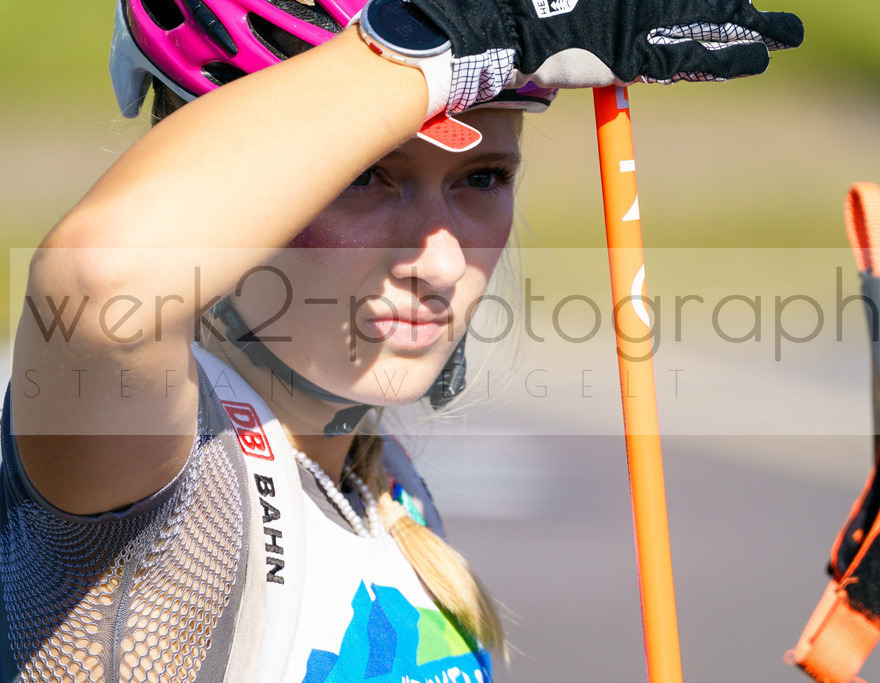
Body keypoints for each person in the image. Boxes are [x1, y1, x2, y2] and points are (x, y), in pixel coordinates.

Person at [1, 0, 802, 680]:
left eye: (482, 179)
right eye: (364, 177)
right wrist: (443, 37)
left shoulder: (385, 489)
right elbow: (99, 285)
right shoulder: (171, 475)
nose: (442, 259)